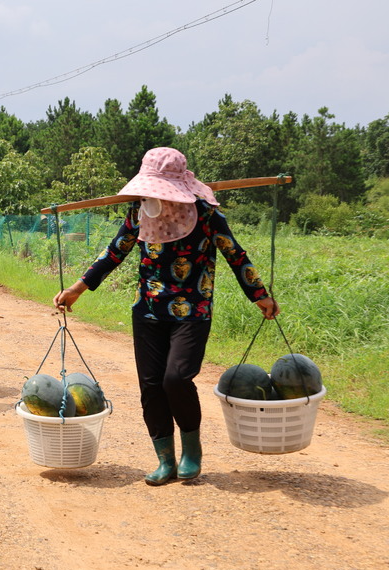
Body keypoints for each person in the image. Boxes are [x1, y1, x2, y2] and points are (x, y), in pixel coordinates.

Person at [53, 147, 280, 486]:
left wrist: (259, 294)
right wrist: (77, 288)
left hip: (194, 309)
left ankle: (192, 449)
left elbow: (235, 253)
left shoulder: (205, 214)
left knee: (176, 378)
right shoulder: (139, 211)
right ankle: (165, 459)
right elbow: (114, 252)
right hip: (147, 311)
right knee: (151, 386)